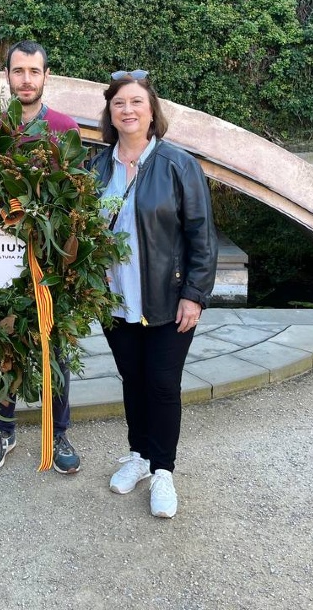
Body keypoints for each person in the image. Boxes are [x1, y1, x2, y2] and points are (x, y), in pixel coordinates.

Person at [87, 69, 218, 518]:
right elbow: (82, 233)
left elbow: (201, 235)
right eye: (119, 103)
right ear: (110, 111)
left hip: (168, 298)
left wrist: (195, 293)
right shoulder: (96, 167)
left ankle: (163, 470)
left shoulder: (178, 165)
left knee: (162, 384)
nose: (127, 110)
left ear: (151, 110)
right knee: (133, 380)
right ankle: (139, 456)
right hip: (115, 299)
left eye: (136, 102)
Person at [0, 40, 81, 475]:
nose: (25, 80)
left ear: (45, 75)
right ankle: (2, 429)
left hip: (50, 262)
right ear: (7, 76)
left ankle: (57, 434)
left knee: (53, 345)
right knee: (5, 345)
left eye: (33, 72)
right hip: (2, 263)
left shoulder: (63, 126)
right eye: (18, 71)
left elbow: (78, 198)